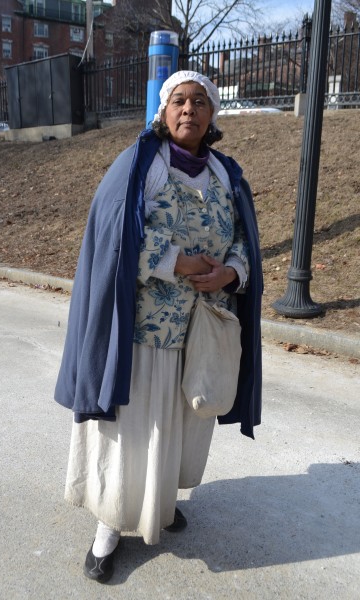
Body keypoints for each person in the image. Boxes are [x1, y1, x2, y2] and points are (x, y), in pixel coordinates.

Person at [54, 70, 262, 583]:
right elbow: (114, 235)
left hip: (201, 331)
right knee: (133, 429)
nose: (189, 109)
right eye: (178, 101)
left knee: (182, 421)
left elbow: (243, 239)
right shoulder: (139, 165)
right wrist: (180, 263)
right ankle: (109, 525)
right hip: (141, 332)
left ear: (212, 115)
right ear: (163, 113)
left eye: (199, 102)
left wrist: (232, 270)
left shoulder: (226, 174)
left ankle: (161, 501)